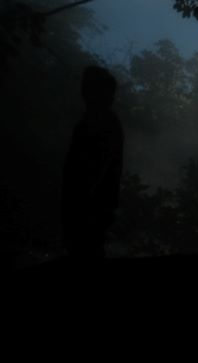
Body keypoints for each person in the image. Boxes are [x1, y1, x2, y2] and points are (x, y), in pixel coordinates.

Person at [62, 65, 123, 261]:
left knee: (86, 251)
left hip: (90, 208)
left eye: (89, 86)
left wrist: (84, 201)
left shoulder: (102, 121)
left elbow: (97, 169)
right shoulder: (96, 120)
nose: (84, 90)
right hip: (89, 206)